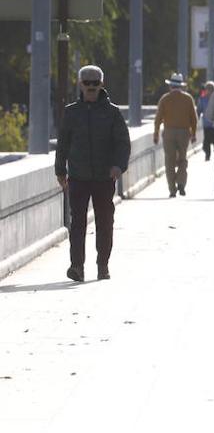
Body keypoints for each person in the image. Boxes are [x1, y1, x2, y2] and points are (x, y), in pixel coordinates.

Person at [55, 65, 129, 282]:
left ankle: (102, 265)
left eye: (95, 82)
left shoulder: (112, 112)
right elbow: (63, 144)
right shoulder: (71, 112)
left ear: (101, 84)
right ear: (80, 84)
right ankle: (77, 266)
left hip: (104, 179)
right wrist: (60, 170)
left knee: (105, 222)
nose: (91, 86)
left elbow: (122, 143)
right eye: (87, 82)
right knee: (77, 223)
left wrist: (118, 166)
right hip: (77, 177)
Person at [154, 72, 198, 197]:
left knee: (170, 161)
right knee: (182, 159)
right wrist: (194, 133)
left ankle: (172, 190)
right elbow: (193, 119)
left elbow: (158, 118)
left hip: (169, 132)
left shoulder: (165, 98)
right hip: (184, 132)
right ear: (181, 86)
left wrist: (156, 134)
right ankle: (181, 183)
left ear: (170, 86)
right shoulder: (188, 98)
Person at [198, 81, 214, 161]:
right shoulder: (202, 99)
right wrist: (197, 116)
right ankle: (207, 154)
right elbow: (199, 109)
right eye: (208, 89)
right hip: (207, 124)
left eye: (211, 89)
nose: (209, 91)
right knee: (206, 142)